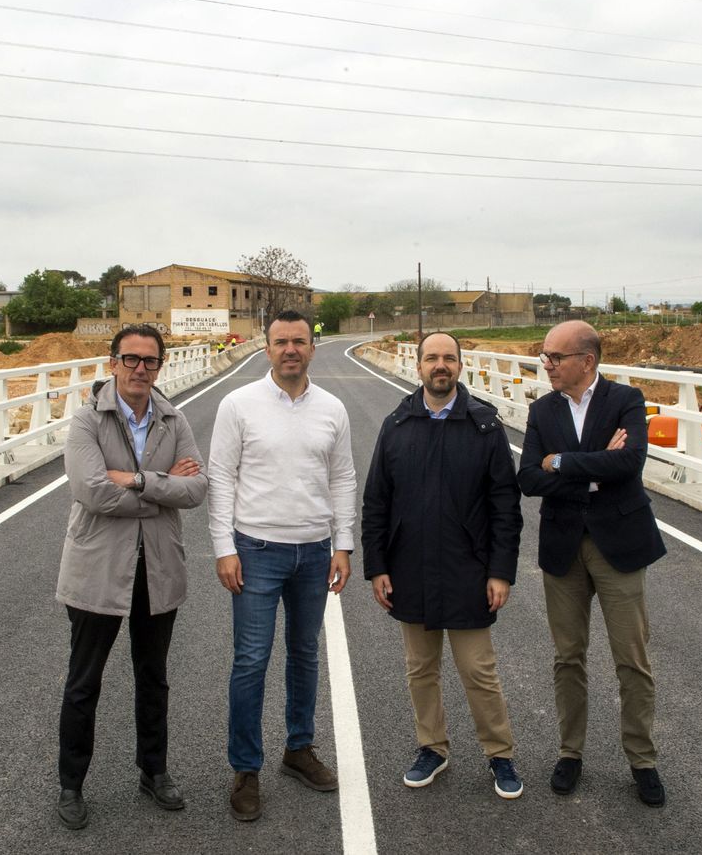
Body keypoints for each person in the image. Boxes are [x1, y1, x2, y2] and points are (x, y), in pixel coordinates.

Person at [54, 325, 208, 830]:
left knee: (154, 677)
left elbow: (198, 488)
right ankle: (71, 785)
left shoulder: (172, 418)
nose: (141, 369)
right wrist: (164, 487)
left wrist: (138, 480)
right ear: (113, 363)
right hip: (98, 569)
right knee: (84, 683)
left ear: (160, 366)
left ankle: (154, 771)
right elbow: (91, 491)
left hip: (158, 568)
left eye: (150, 361)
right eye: (131, 359)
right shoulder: (85, 421)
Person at [361, 331, 525, 799]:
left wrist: (500, 571)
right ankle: (432, 747)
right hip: (410, 569)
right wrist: (378, 566)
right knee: (420, 668)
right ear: (417, 367)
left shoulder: (484, 427)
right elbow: (377, 503)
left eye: (448, 358)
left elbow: (504, 508)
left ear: (459, 366)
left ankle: (500, 754)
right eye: (431, 358)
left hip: (468, 571)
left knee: (478, 670)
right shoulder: (397, 424)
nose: (440, 366)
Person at [208, 310, 357, 822]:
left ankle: (298, 749)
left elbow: (342, 478)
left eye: (299, 341)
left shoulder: (332, 408)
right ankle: (245, 769)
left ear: (312, 347)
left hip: (315, 551)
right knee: (251, 661)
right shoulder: (239, 404)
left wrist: (345, 545)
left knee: (304, 654)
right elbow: (221, 477)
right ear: (265, 347)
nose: (290, 349)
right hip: (256, 551)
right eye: (280, 342)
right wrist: (224, 548)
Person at [517, 319, 669, 808]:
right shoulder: (542, 410)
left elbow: (630, 464)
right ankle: (570, 753)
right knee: (568, 657)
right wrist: (593, 465)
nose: (547, 365)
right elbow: (527, 478)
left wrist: (560, 462)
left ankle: (642, 761)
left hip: (619, 544)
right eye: (545, 357)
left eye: (555, 358)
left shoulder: (626, 399)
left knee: (632, 659)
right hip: (564, 547)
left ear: (587, 360)